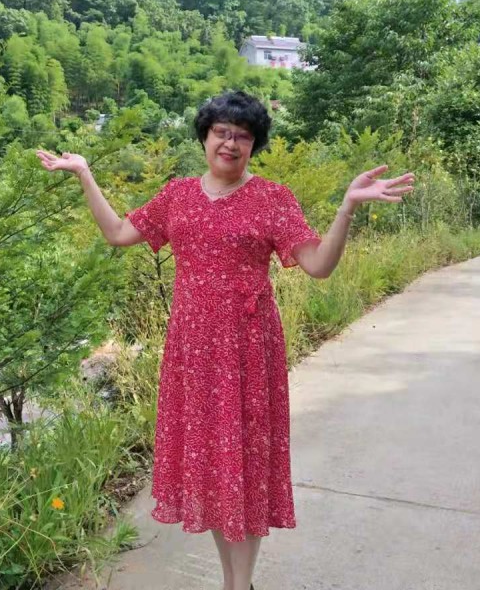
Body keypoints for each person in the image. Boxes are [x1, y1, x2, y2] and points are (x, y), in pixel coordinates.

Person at [35, 90, 415, 590]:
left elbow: (319, 265)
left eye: (243, 136)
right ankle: (234, 582)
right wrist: (85, 173)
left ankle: (240, 584)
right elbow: (118, 233)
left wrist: (346, 207)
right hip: (192, 352)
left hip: (249, 350)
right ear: (205, 136)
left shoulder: (273, 198)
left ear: (254, 145)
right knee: (214, 467)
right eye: (222, 132)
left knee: (245, 466)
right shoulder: (177, 195)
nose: (231, 143)